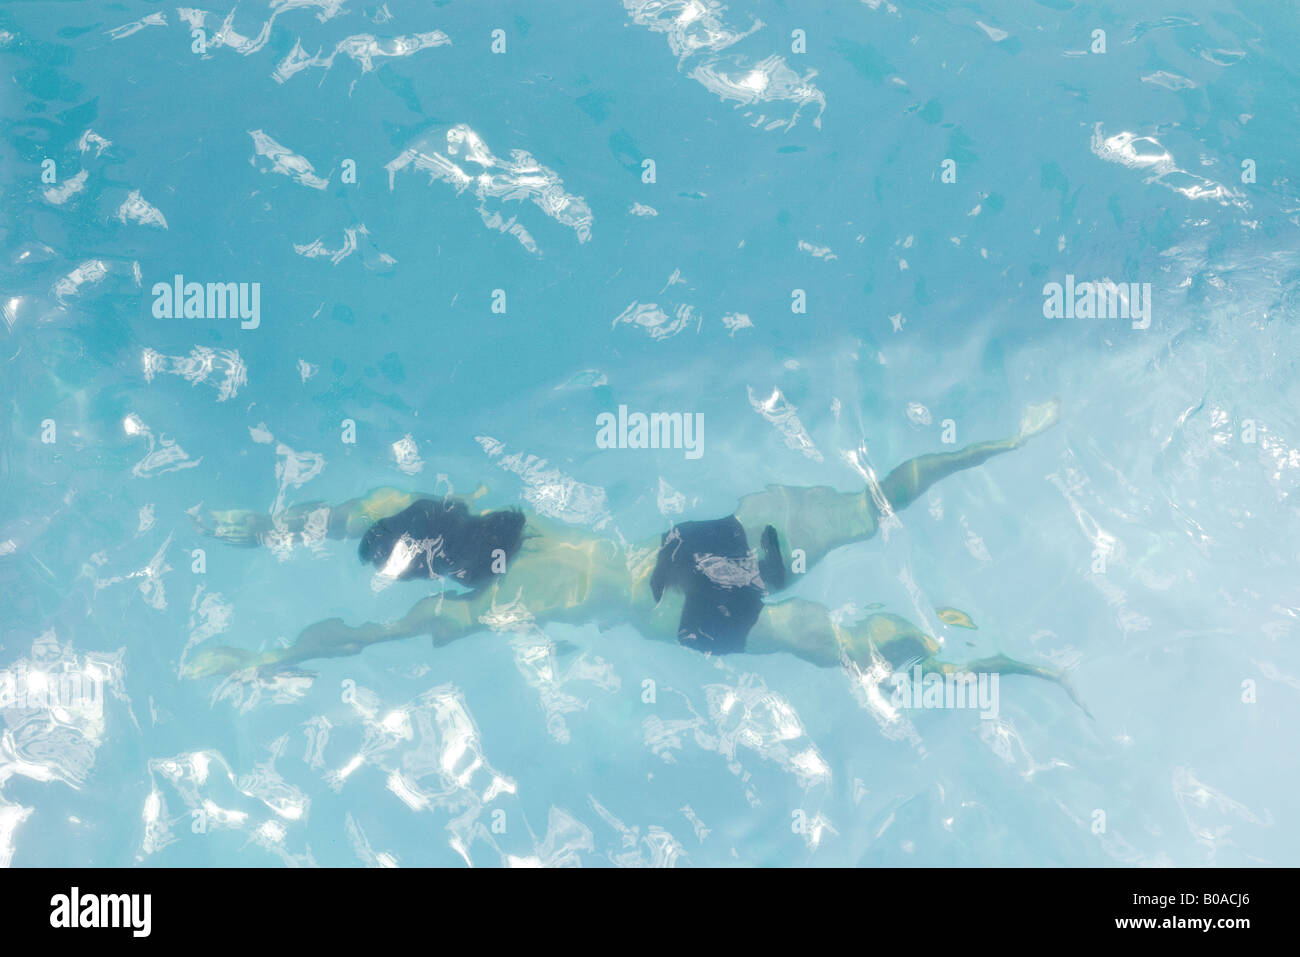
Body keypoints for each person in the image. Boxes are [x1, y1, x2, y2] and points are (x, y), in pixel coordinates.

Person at [185, 400, 1086, 714]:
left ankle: (1014, 664)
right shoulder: (497, 514)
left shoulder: (475, 606)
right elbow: (366, 513)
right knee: (862, 509)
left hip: (683, 615)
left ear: (432, 568)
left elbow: (353, 636)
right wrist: (269, 528)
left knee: (851, 646)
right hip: (690, 547)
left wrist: (261, 654)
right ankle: (1000, 444)